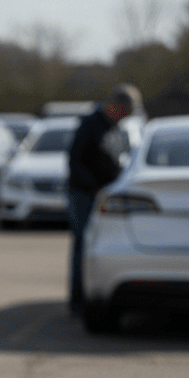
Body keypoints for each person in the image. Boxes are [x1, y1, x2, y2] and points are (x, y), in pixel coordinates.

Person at [66, 84, 142, 313]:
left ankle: (99, 293)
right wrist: (94, 186)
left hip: (105, 194)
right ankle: (78, 300)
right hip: (84, 194)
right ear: (115, 106)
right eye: (125, 111)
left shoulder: (117, 128)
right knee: (83, 245)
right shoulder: (90, 125)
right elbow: (74, 162)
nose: (127, 116)